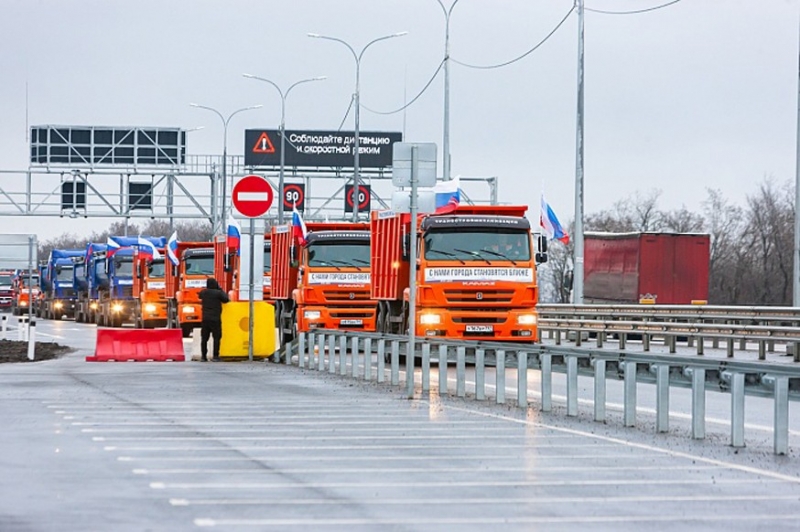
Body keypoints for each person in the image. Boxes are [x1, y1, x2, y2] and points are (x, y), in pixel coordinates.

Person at [198, 277, 229, 361]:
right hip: (215, 319)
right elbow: (226, 300)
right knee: (216, 337)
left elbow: (199, 296)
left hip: (205, 319)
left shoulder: (203, 292)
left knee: (204, 338)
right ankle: (215, 356)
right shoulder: (218, 293)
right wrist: (220, 289)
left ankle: (203, 356)